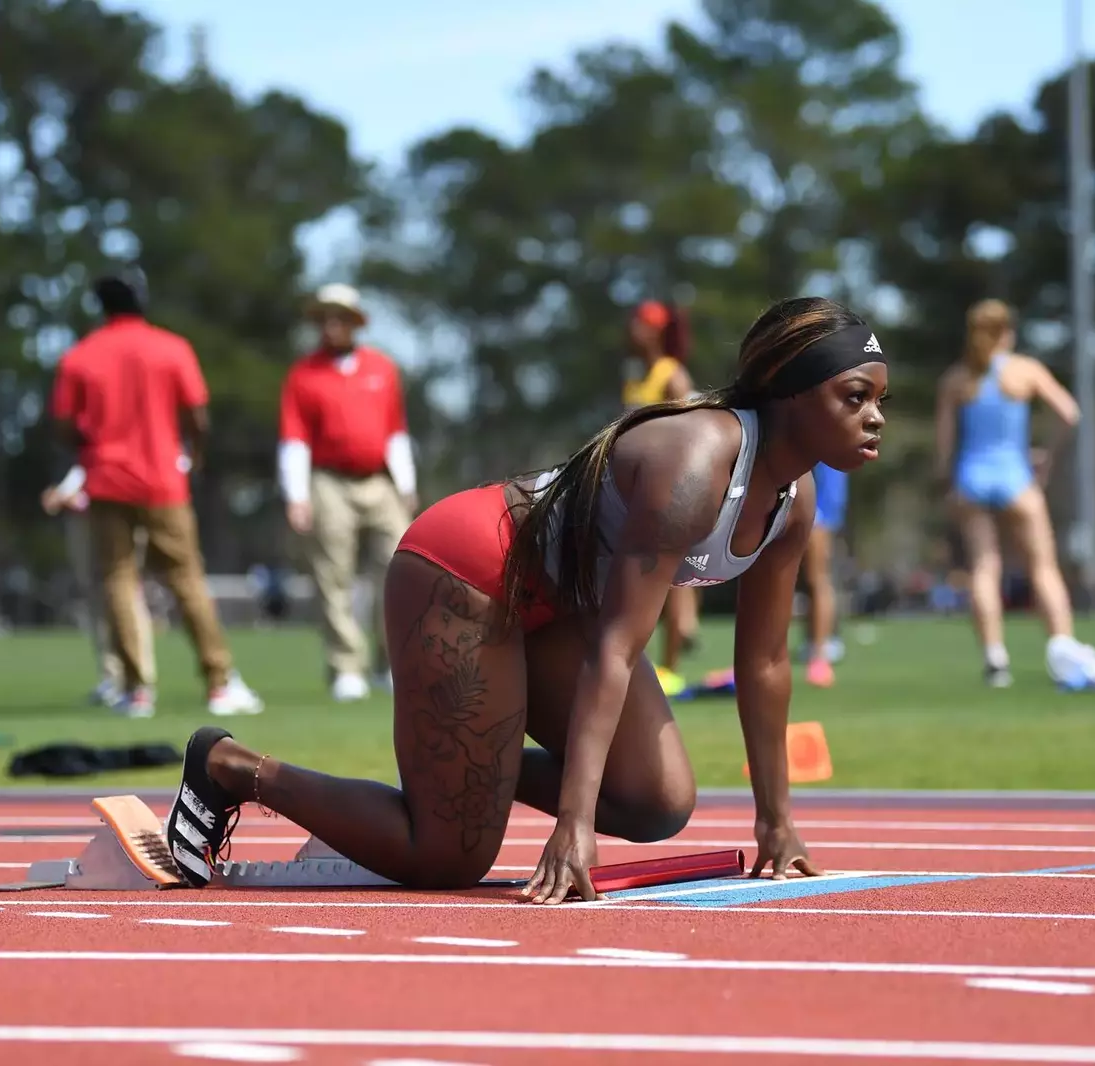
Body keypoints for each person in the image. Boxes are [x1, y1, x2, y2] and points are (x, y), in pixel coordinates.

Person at [162, 296, 886, 903]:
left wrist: (777, 821)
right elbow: (617, 646)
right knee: (447, 859)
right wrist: (571, 824)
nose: (874, 417)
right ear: (787, 393)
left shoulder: (795, 502)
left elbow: (763, 665)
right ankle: (231, 765)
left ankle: (462, 771)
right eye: (854, 397)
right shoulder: (695, 463)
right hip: (466, 572)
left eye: (880, 399)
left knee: (656, 802)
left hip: (560, 610)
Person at [48, 266, 262, 717]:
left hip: (107, 481)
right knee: (186, 579)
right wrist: (194, 455)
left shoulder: (80, 356)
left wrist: (90, 449)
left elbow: (64, 424)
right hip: (164, 480)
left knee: (119, 581)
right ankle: (219, 683)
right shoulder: (172, 348)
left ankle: (137, 690)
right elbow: (198, 416)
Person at [934, 299, 1089, 688]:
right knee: (1043, 568)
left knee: (985, 568)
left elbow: (944, 445)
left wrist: (947, 484)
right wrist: (1046, 458)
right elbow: (1070, 413)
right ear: (1008, 332)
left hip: (972, 476)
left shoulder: (957, 379)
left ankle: (995, 660)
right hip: (1016, 477)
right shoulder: (1025, 370)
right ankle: (1063, 650)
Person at [278, 283, 417, 702]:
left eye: (340, 317)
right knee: (332, 575)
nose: (332, 325)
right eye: (325, 318)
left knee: (398, 569)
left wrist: (407, 485)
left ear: (356, 323)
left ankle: (389, 663)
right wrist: (296, 495)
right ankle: (346, 667)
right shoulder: (303, 375)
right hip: (328, 482)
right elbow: (295, 440)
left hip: (379, 481)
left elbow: (395, 431)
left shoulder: (382, 369)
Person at [621, 299, 701, 695]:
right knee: (636, 579)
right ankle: (642, 664)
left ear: (654, 330)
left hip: (669, 492)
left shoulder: (673, 377)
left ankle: (670, 668)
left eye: (639, 324)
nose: (631, 330)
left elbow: (690, 437)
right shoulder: (636, 377)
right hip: (632, 493)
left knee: (669, 580)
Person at [41, 464, 157, 709]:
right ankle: (112, 676)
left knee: (126, 595)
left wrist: (80, 499)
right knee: (98, 599)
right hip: (87, 519)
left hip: (118, 513)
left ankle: (138, 680)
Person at [798, 461, 848, 686]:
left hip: (819, 492)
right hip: (809, 484)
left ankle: (819, 656)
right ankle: (813, 646)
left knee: (816, 577)